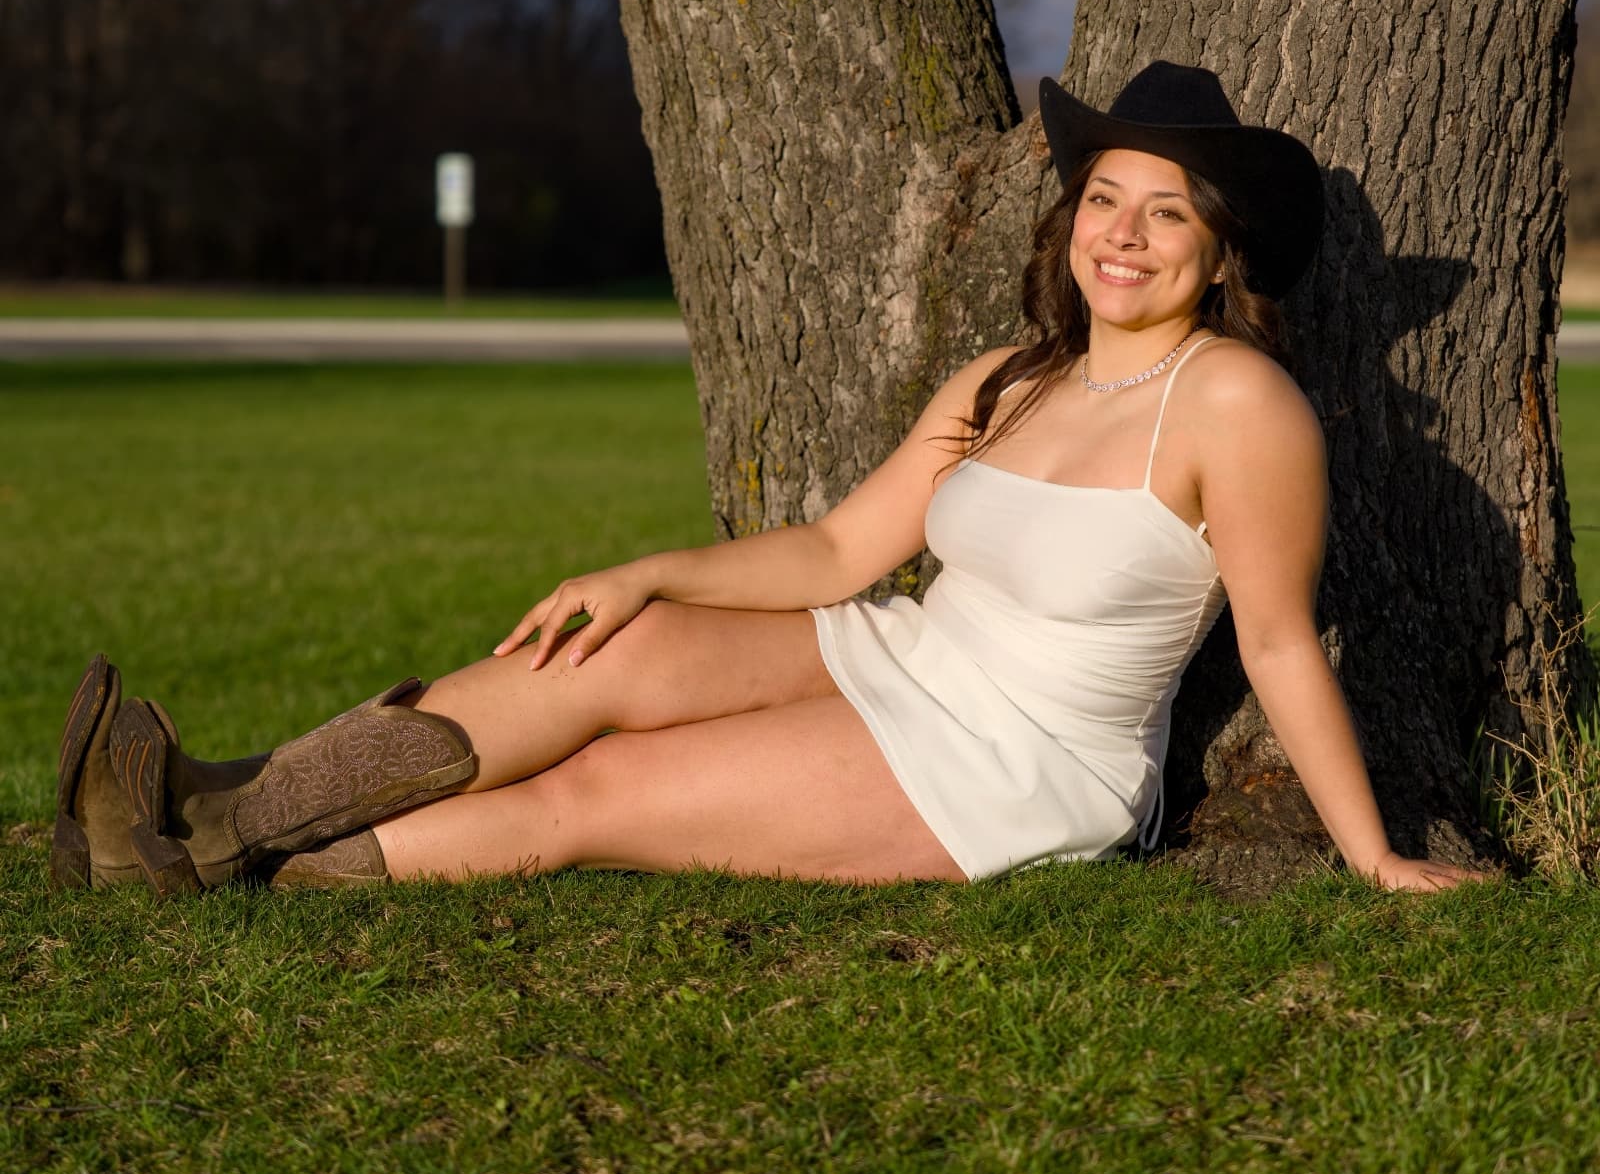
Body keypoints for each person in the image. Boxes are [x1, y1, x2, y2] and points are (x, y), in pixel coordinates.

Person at [52, 62, 1484, 899]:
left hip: (1019, 757)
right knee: (631, 646)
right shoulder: (1011, 374)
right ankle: (207, 798)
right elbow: (840, 548)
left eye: (1169, 211)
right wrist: (647, 573)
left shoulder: (1239, 405)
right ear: (1070, 216)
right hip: (909, 651)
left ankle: (220, 861)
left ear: (1221, 252)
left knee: (608, 789)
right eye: (1107, 194)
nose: (1126, 232)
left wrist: (1372, 858)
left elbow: (1281, 641)